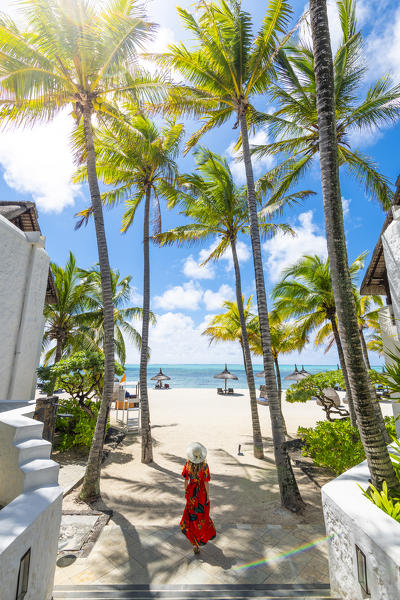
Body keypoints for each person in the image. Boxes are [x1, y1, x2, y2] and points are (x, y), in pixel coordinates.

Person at [180, 442, 216, 554]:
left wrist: (186, 493)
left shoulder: (187, 465)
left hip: (191, 493)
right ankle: (200, 539)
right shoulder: (205, 466)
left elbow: (186, 481)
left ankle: (195, 544)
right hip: (201, 494)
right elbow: (206, 483)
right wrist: (208, 496)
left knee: (192, 518)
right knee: (201, 517)